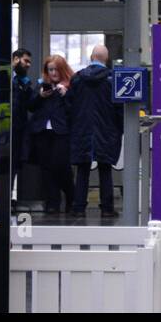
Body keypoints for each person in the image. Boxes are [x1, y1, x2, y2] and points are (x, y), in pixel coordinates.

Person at [68, 44, 122, 218]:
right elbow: (119, 108)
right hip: (106, 130)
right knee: (105, 168)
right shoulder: (113, 79)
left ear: (91, 57)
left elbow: (69, 105)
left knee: (83, 169)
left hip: (82, 129)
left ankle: (78, 208)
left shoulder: (77, 79)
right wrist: (119, 128)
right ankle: (107, 208)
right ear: (106, 59)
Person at [28, 55, 75, 215]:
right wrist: (40, 96)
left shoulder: (70, 86)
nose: (53, 73)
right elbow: (31, 106)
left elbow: (74, 111)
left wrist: (65, 95)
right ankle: (52, 202)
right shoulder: (42, 85)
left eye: (56, 69)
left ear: (62, 69)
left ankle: (71, 196)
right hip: (42, 131)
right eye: (50, 69)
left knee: (60, 166)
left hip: (61, 132)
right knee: (46, 168)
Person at [10, 49, 34, 205]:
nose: (28, 65)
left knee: (13, 165)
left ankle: (9, 197)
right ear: (16, 59)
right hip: (2, 129)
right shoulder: (3, 78)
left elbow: (29, 105)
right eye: (26, 61)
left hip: (17, 130)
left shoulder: (23, 82)